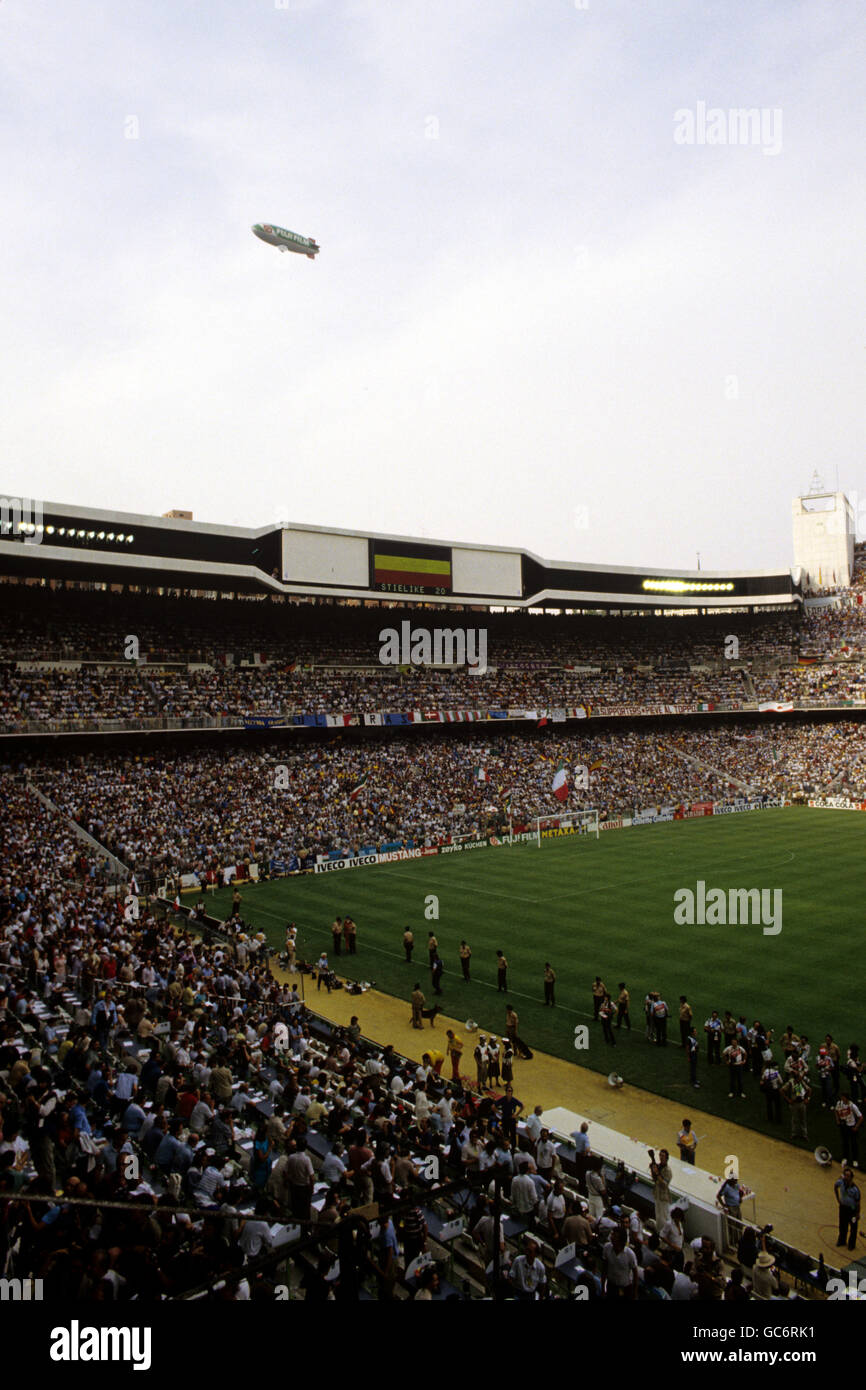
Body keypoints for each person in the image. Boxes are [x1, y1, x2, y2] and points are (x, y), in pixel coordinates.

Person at [602, 1227, 638, 1299]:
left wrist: (635, 1293)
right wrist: (603, 1287)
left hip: (625, 1287)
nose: (612, 1237)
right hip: (611, 1285)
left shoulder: (630, 1254)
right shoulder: (607, 1248)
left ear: (621, 1240)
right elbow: (604, 1268)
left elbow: (635, 1274)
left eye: (615, 1236)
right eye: (612, 1235)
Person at [510, 1236, 547, 1300]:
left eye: (530, 1252)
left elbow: (542, 1285)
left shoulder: (540, 1267)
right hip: (518, 1292)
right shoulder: (518, 1260)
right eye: (527, 1250)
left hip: (530, 1294)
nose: (527, 1253)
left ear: (535, 1254)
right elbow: (511, 1277)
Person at [834, 1166, 861, 1251]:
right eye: (845, 1175)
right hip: (843, 1208)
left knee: (853, 1227)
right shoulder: (840, 1182)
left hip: (852, 1210)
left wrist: (857, 1214)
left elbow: (858, 1203)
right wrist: (838, 1199)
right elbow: (835, 1186)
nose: (846, 1177)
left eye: (848, 1176)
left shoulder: (855, 1189)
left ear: (851, 1177)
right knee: (842, 1225)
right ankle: (842, 1240)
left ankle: (851, 1245)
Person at [834, 1093, 863, 1166]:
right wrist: (837, 1120)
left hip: (851, 1126)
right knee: (845, 1142)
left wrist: (856, 1127)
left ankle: (855, 1160)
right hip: (843, 1126)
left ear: (847, 1098)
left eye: (843, 1097)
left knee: (854, 1143)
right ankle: (845, 1158)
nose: (842, 1099)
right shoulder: (839, 1103)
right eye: (842, 1097)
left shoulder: (852, 1106)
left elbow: (860, 1117)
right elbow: (836, 1111)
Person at [781, 1075, 810, 1141]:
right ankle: (794, 1134)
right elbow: (782, 1090)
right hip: (794, 1104)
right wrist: (788, 1100)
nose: (800, 1080)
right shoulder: (790, 1083)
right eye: (799, 1079)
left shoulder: (802, 1082)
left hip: (802, 1103)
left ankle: (804, 1135)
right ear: (796, 1078)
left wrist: (807, 1099)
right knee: (794, 1119)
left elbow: (809, 1090)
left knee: (803, 1119)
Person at [649, 1148, 672, 1227]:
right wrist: (652, 1171)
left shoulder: (668, 1170)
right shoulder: (658, 1166)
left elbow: (664, 1185)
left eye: (663, 1156)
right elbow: (654, 1180)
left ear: (666, 1158)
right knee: (658, 1216)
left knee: (664, 1217)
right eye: (660, 1155)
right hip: (657, 1194)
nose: (661, 1157)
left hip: (663, 1196)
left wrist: (657, 1173)